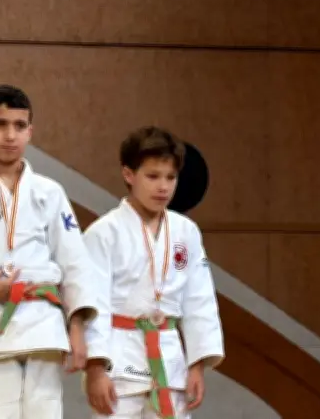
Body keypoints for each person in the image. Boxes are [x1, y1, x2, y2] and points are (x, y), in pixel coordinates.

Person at [0, 84, 108, 419]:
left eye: (19, 126)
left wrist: (77, 328)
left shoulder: (49, 192)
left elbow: (75, 263)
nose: (10, 135)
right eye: (0, 124)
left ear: (30, 132)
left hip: (43, 327)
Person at [81, 126, 225, 419]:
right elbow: (92, 303)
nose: (163, 187)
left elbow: (199, 300)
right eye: (153, 176)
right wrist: (95, 370)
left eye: (170, 177)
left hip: (170, 362)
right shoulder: (103, 232)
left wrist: (196, 364)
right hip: (119, 363)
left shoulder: (186, 232)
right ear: (128, 174)